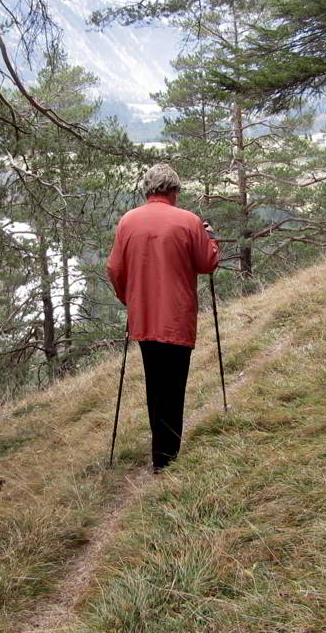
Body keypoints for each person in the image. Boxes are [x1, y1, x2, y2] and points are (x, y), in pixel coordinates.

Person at [107, 163, 219, 473]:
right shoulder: (189, 221)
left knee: (155, 384)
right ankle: (165, 458)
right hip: (177, 317)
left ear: (147, 190)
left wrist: (130, 299)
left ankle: (161, 451)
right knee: (174, 385)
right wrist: (211, 238)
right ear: (174, 190)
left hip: (144, 317)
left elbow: (115, 270)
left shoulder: (127, 222)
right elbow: (207, 263)